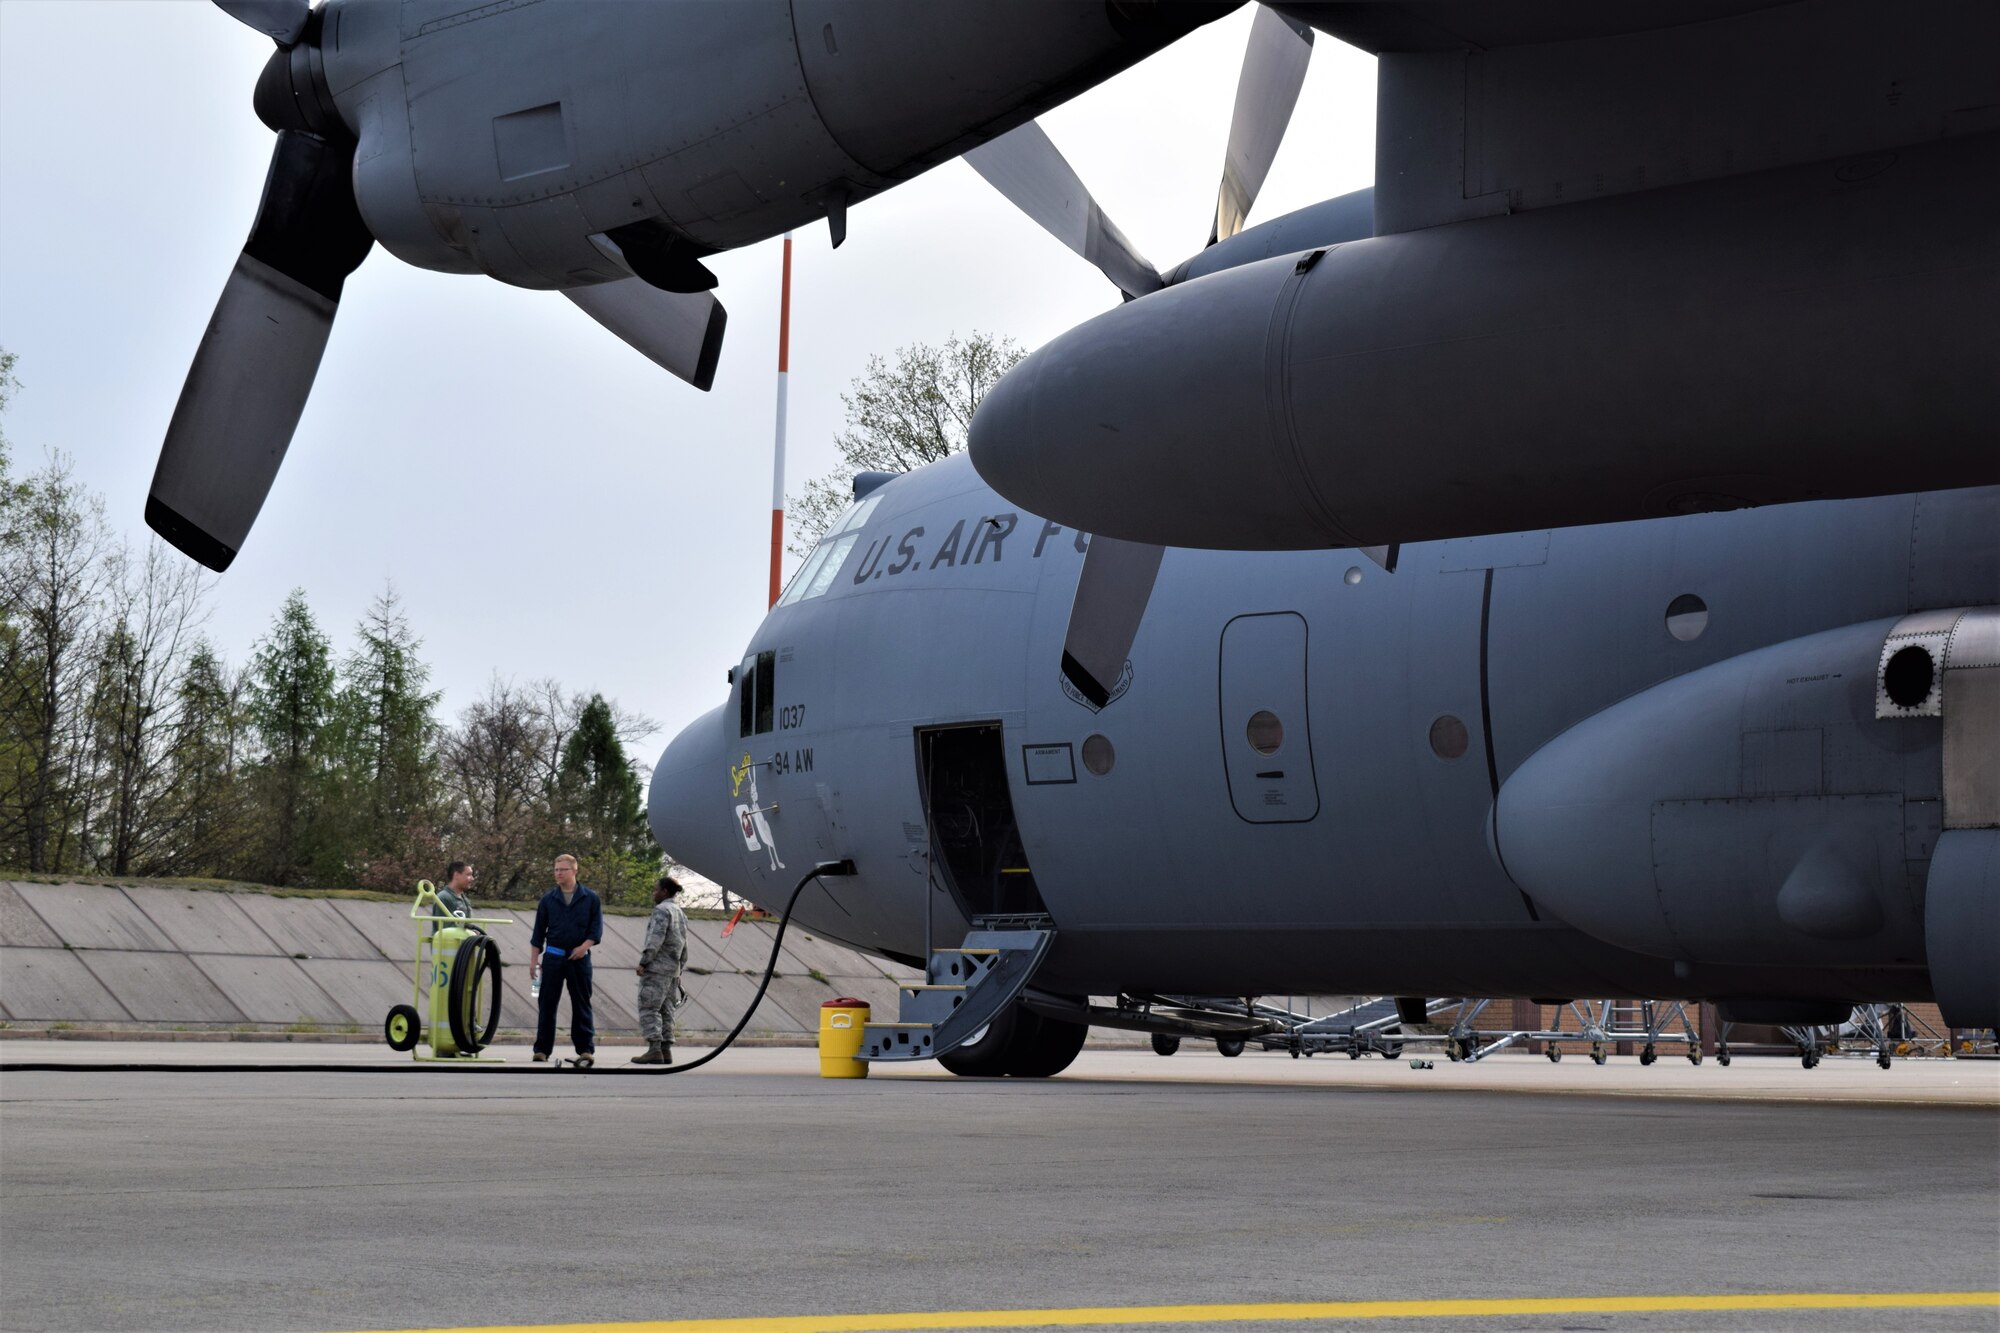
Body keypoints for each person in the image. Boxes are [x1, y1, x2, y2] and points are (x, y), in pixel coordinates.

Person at [528, 853, 603, 1066]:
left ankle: (585, 1049)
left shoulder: (590, 898)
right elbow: (538, 933)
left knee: (581, 1003)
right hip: (553, 957)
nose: (558, 873)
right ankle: (542, 1049)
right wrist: (534, 960)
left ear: (574, 870)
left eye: (563, 869)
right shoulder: (548, 899)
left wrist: (583, 947)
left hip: (579, 959)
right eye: (556, 870)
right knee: (547, 1004)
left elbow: (596, 931)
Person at [633, 875, 689, 1065]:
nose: (653, 893)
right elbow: (684, 943)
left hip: (657, 969)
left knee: (649, 1007)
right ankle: (666, 1050)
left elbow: (655, 939)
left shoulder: (661, 911)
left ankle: (654, 1049)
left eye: (656, 890)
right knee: (667, 1010)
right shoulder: (679, 912)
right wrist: (680, 967)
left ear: (664, 891)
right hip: (673, 970)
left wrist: (645, 962)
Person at [432, 861, 475, 934]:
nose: (472, 878)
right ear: (456, 875)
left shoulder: (465, 900)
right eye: (468, 875)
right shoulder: (444, 898)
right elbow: (445, 929)